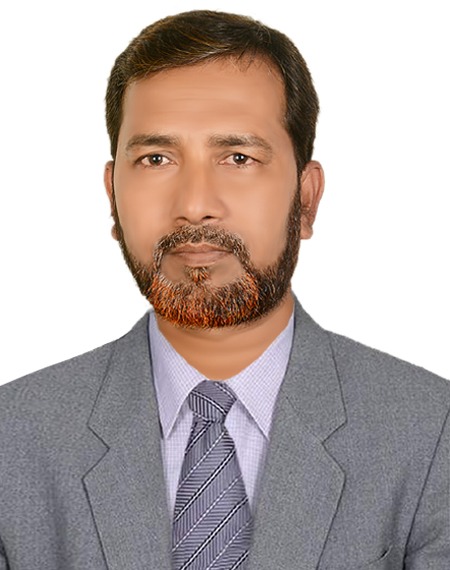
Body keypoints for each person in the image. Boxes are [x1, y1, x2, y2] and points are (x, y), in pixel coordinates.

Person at [0, 9, 448, 569]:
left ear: (306, 200)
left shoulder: (432, 432)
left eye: (238, 158)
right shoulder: (12, 438)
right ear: (113, 197)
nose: (194, 205)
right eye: (156, 159)